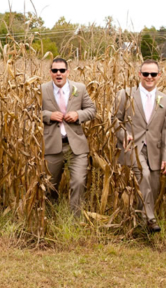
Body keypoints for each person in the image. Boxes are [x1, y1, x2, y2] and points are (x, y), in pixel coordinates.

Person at [114, 59, 166, 232]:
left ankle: (140, 223)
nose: (149, 77)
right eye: (146, 74)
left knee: (153, 185)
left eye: (153, 74)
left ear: (159, 76)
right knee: (144, 175)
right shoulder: (125, 94)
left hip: (155, 150)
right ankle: (150, 219)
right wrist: (123, 134)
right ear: (139, 74)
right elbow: (115, 119)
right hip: (133, 147)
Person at [41, 57, 96, 216]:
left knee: (78, 182)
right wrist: (49, 115)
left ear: (68, 72)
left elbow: (92, 110)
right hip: (52, 146)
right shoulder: (42, 89)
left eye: (62, 70)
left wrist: (78, 114)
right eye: (55, 70)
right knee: (51, 185)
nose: (58, 73)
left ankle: (75, 219)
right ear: (50, 72)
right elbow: (30, 111)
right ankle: (50, 217)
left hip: (76, 146)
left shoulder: (79, 88)